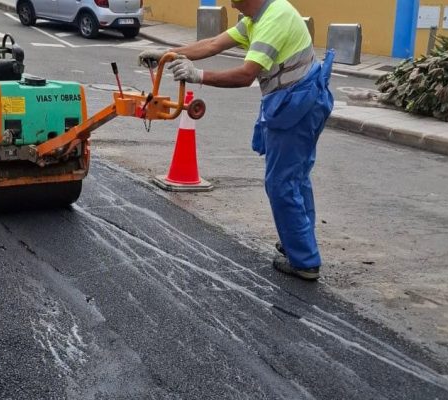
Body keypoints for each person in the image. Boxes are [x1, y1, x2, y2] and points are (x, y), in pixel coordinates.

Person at [139, 0, 334, 281]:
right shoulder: (256, 17)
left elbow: (245, 75)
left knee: (281, 183)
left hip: (298, 104)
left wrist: (198, 75)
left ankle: (304, 261)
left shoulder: (272, 20)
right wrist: (166, 55)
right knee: (296, 177)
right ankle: (297, 239)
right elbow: (212, 44)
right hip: (301, 100)